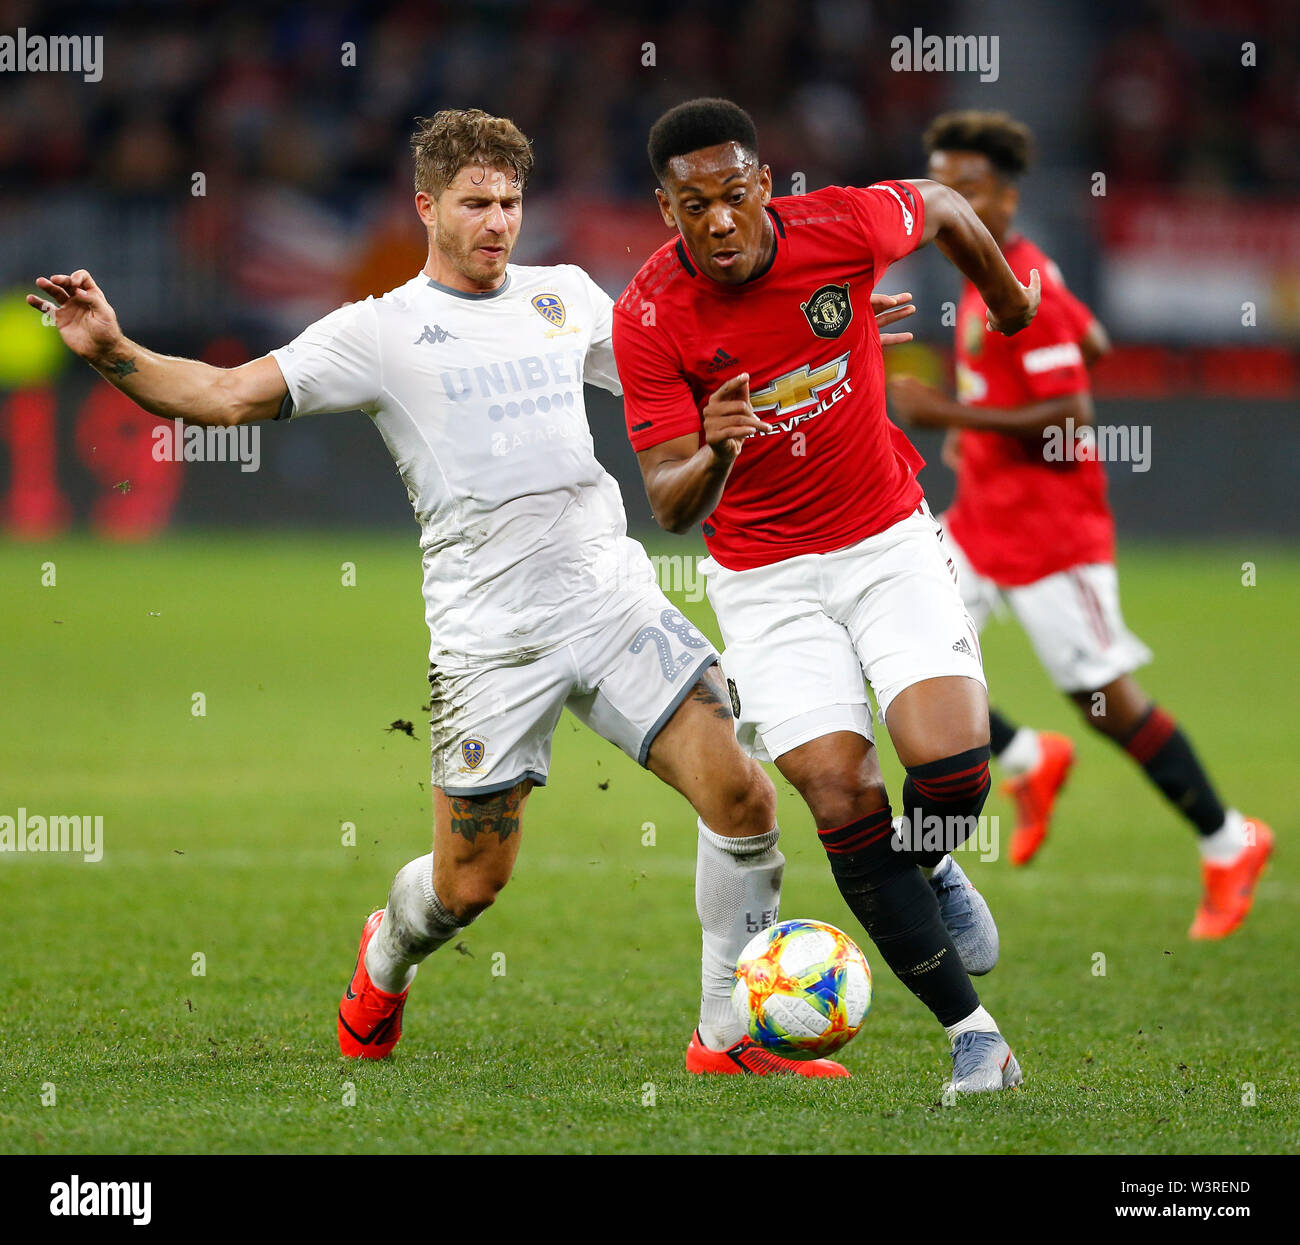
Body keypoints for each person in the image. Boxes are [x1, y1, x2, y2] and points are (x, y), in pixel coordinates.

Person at [32, 108, 855, 1077]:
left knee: (742, 793)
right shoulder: (380, 334)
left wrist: (820, 332)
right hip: (489, 641)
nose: (497, 222)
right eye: (475, 204)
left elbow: (692, 359)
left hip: (610, 599)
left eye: (510, 202)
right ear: (426, 207)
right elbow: (225, 397)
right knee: (469, 886)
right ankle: (387, 951)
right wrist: (113, 351)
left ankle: (724, 1037)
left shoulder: (566, 297)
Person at [613, 97, 1042, 1092]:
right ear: (664, 208)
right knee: (838, 793)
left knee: (952, 772)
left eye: (731, 195)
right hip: (763, 581)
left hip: (886, 540)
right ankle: (974, 1038)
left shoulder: (840, 229)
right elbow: (671, 503)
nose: (716, 220)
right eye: (692, 205)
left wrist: (1007, 299)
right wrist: (716, 446)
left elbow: (939, 203)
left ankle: (933, 862)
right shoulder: (648, 317)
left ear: (763, 184)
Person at [887, 110, 1272, 939]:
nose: (948, 197)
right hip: (982, 521)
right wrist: (983, 414)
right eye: (939, 181)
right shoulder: (981, 270)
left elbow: (1072, 413)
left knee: (1106, 703)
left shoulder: (1025, 282)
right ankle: (1027, 756)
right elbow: (1090, 337)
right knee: (899, 652)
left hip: (1053, 537)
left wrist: (948, 411)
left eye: (969, 186)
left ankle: (1228, 837)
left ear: (1008, 195)